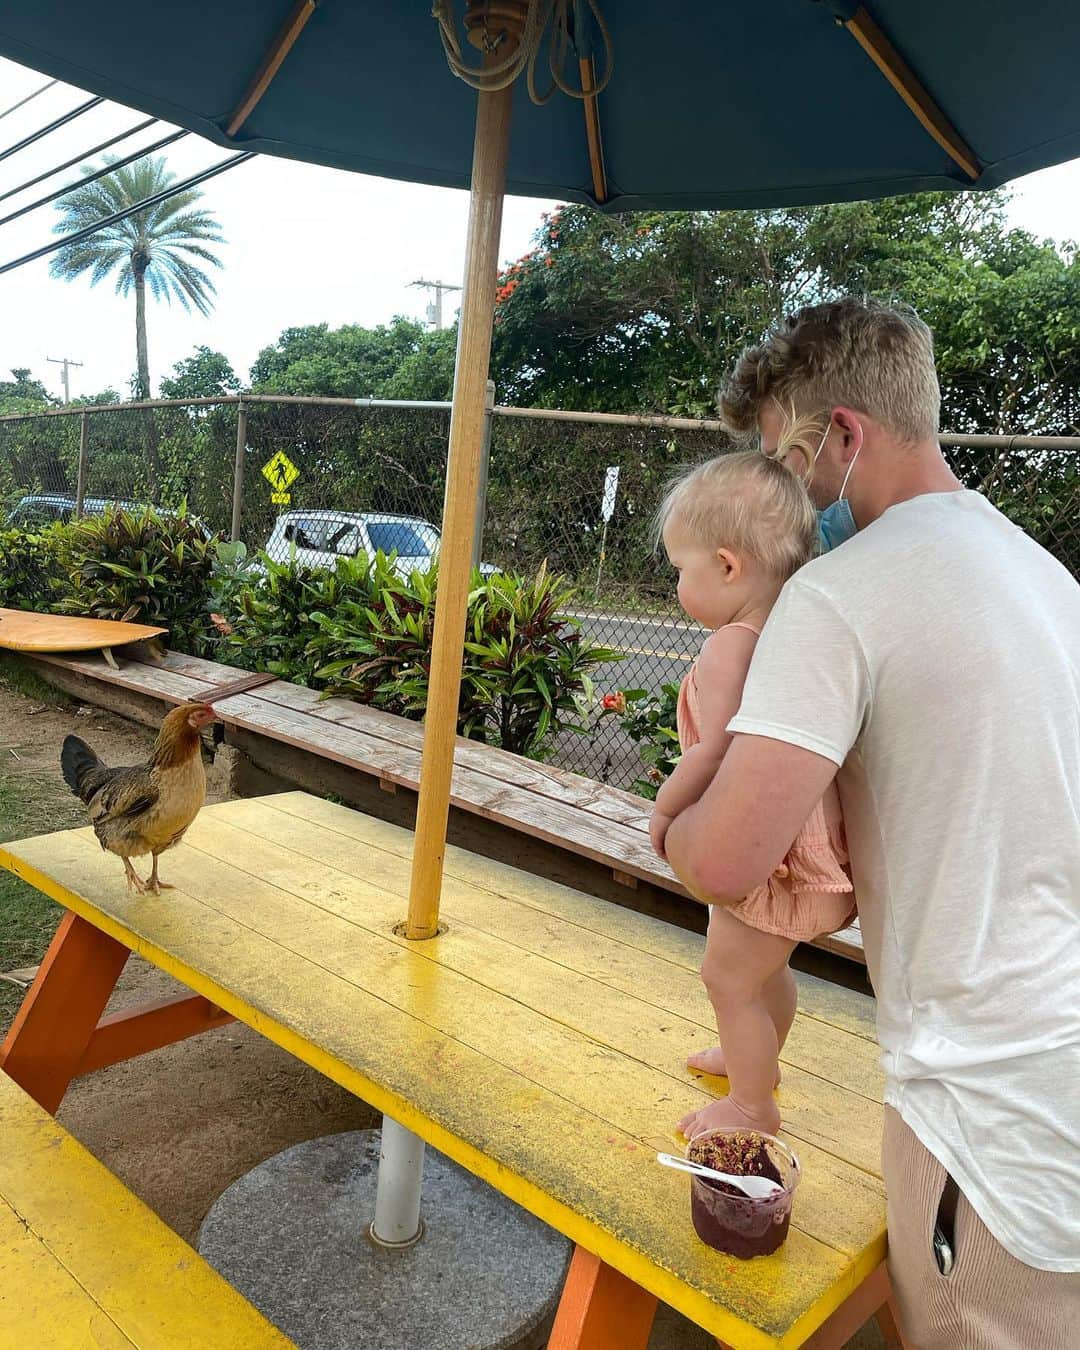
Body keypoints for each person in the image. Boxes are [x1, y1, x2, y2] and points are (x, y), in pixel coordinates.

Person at [662, 296, 1079, 1348]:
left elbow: (724, 860)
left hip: (989, 1124)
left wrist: (670, 816)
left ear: (843, 435)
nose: (784, 504)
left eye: (782, 463)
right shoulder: (1045, 578)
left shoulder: (843, 593)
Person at [651, 452, 854, 1138]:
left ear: (729, 567)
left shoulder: (729, 648)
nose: (679, 582)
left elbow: (715, 753)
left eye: (683, 568)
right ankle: (754, 1066)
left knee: (727, 979)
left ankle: (750, 1106)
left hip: (767, 854)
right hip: (808, 853)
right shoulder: (797, 634)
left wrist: (666, 812)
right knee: (764, 972)